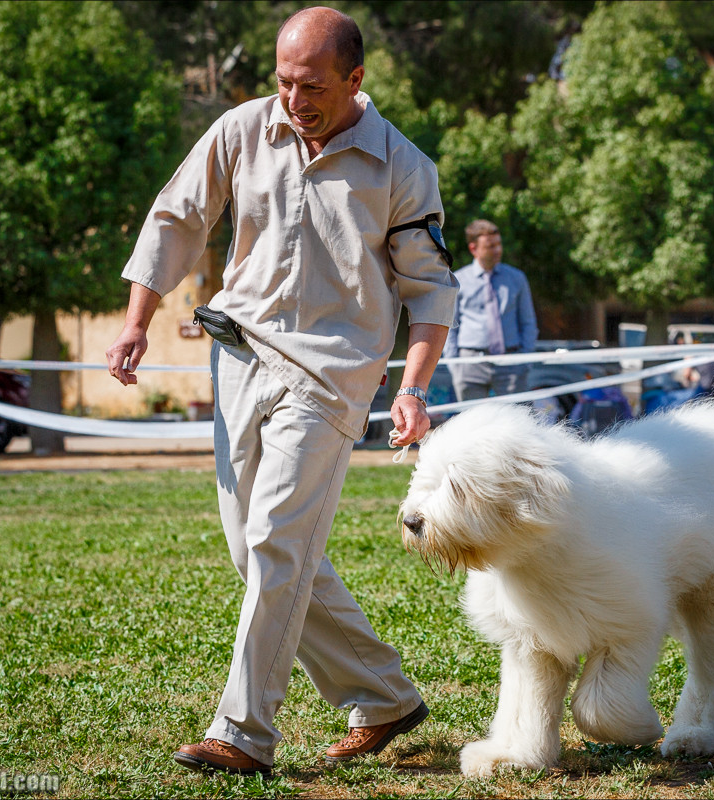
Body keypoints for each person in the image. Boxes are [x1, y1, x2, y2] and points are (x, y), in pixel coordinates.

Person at [104, 7, 457, 778]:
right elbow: (177, 217)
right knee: (257, 550)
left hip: (330, 377)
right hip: (239, 356)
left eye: (313, 86)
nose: (295, 99)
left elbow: (429, 290)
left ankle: (244, 732)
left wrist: (414, 386)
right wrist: (138, 320)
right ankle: (384, 695)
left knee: (276, 545)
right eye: (284, 81)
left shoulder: (401, 166)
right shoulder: (242, 130)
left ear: (356, 81)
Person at [442, 219, 538, 402]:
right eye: (490, 246)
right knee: (475, 425)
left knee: (517, 423)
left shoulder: (517, 278)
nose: (498, 250)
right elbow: (450, 326)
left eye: (499, 244)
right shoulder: (458, 280)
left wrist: (524, 360)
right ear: (473, 249)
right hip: (469, 363)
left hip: (511, 363)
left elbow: (528, 322)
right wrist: (455, 365)